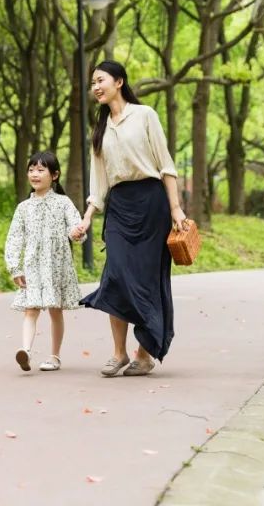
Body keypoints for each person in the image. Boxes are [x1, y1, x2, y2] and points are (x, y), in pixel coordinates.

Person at [70, 60, 188, 377]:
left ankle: (144, 354)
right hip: (120, 206)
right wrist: (87, 217)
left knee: (146, 280)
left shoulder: (145, 115)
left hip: (152, 204)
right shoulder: (99, 130)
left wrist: (175, 208)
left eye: (100, 80)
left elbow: (165, 164)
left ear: (119, 81)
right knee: (116, 275)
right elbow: (99, 182)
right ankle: (118, 353)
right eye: (92, 83)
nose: (95, 87)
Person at [5, 151, 86, 372]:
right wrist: (15, 267)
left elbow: (75, 227)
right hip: (32, 266)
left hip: (56, 267)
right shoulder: (23, 208)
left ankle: (54, 356)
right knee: (30, 309)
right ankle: (25, 351)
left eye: (41, 170)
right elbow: (14, 238)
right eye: (31, 170)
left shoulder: (63, 202)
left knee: (54, 310)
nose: (34, 174)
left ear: (54, 175)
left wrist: (77, 233)